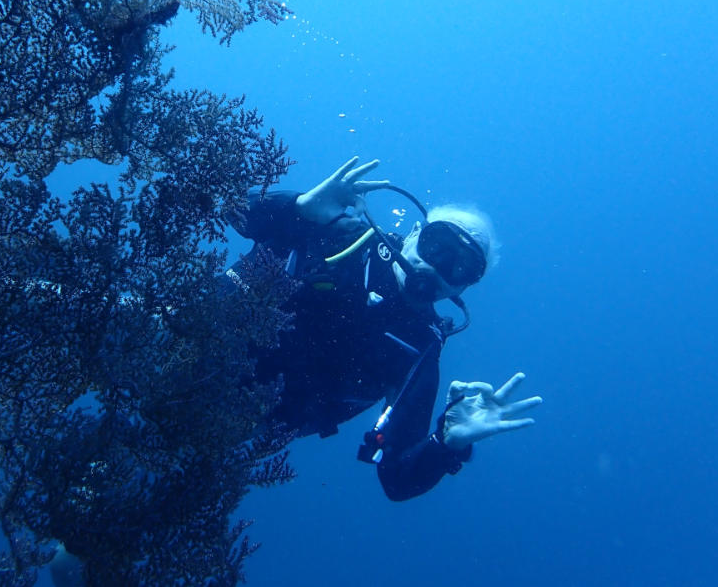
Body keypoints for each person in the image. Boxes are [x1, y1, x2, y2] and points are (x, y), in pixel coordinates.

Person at [228, 156, 541, 501]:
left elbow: (398, 480)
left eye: (460, 267)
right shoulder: (343, 239)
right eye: (437, 246)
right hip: (187, 331)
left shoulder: (418, 350)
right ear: (414, 234)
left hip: (230, 422)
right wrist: (299, 207)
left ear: (464, 287)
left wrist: (447, 444)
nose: (438, 267)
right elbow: (231, 209)